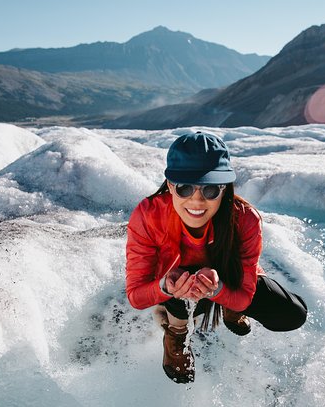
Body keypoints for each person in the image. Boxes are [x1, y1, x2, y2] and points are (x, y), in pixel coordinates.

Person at [125, 131, 308, 383]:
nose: (197, 200)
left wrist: (218, 289)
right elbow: (136, 295)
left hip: (228, 275)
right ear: (169, 185)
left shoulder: (244, 218)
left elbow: (245, 295)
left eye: (210, 189)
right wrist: (165, 286)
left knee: (292, 314)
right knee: (178, 279)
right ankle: (176, 331)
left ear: (224, 188)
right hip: (177, 285)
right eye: (185, 188)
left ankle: (229, 309)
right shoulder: (148, 215)